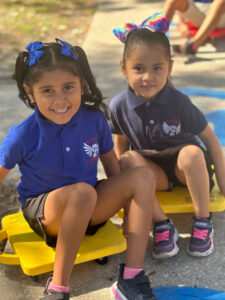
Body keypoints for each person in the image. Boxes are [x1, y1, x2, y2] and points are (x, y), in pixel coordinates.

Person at [0, 39, 158, 300]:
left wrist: (130, 208)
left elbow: (112, 168)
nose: (60, 99)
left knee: (142, 176)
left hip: (89, 206)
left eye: (68, 87)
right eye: (48, 91)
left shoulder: (94, 119)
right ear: (30, 93)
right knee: (83, 192)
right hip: (46, 215)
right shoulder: (22, 135)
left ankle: (131, 277)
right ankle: (58, 288)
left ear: (82, 85)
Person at [110, 12, 225, 260]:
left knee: (192, 153)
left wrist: (223, 181)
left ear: (169, 67)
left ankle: (203, 221)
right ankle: (162, 224)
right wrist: (124, 187)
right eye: (138, 68)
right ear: (124, 68)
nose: (148, 77)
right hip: (153, 172)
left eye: (157, 68)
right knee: (128, 160)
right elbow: (120, 143)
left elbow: (210, 138)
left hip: (186, 170)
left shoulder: (178, 102)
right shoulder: (119, 106)